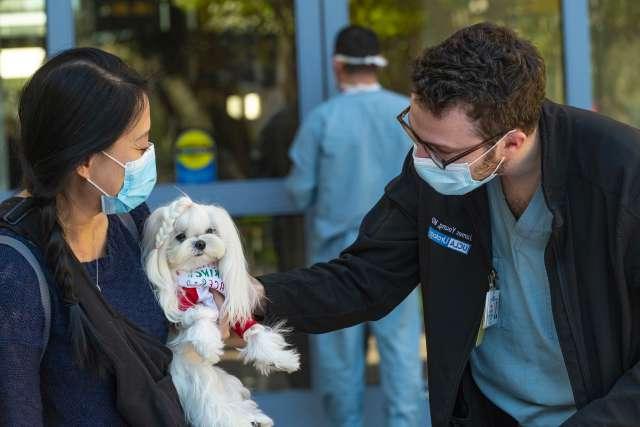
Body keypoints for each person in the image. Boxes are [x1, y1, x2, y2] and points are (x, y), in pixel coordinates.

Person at [252, 22, 640, 427]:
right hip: (485, 410)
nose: (420, 158)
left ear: (510, 143)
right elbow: (364, 278)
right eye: (415, 135)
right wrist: (257, 297)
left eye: (439, 151)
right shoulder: (436, 164)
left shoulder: (622, 177)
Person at [0, 48, 189, 425]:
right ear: (86, 162)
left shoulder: (131, 222)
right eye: (139, 146)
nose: (148, 156)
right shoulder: (14, 268)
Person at [285, 25, 425, 427]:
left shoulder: (322, 120)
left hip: (337, 260)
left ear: (337, 65)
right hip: (401, 257)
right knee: (401, 364)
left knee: (340, 370)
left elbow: (299, 193)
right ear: (377, 63)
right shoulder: (408, 116)